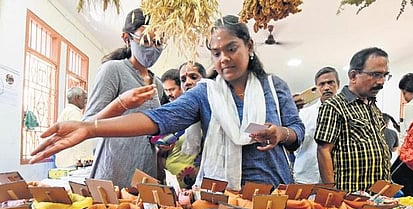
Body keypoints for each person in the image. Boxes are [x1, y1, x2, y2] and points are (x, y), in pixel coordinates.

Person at [29, 15, 305, 192]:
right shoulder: (205, 93)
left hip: (274, 191)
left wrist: (282, 133)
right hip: (221, 196)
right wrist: (92, 127)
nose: (223, 59)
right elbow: (156, 120)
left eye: (231, 48)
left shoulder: (273, 85)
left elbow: (296, 132)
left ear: (249, 46)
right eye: (216, 52)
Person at [81, 8, 163, 188]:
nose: (153, 47)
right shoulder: (113, 70)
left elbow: (156, 127)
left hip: (145, 173)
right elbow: (88, 123)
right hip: (113, 171)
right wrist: (120, 104)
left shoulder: (158, 85)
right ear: (127, 39)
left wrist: (163, 140)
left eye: (159, 41)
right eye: (146, 40)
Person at [314, 47, 391, 192]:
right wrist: (333, 193)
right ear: (353, 76)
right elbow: (323, 151)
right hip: (350, 197)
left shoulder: (373, 107)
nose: (381, 82)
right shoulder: (334, 106)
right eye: (375, 75)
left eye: (384, 75)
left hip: (378, 195)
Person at [293, 66, 340, 183]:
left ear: (338, 84)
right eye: (322, 84)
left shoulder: (347, 114)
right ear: (316, 87)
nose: (326, 87)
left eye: (331, 83)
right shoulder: (304, 114)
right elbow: (296, 144)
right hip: (306, 177)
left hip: (338, 178)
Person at [54, 87, 94, 168]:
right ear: (77, 98)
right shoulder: (73, 113)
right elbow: (79, 138)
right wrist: (84, 159)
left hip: (69, 160)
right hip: (73, 161)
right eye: (84, 98)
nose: (86, 101)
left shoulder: (68, 112)